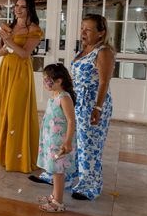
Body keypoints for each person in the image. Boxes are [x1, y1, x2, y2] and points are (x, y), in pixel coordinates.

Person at [30, 14, 114, 201]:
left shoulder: (103, 52)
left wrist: (97, 108)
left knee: (90, 146)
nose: (83, 32)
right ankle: (63, 177)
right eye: (82, 27)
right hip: (77, 102)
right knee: (73, 142)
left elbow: (104, 82)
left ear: (101, 33)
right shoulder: (84, 49)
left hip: (93, 104)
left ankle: (89, 186)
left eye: (88, 29)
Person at [0, 0, 43, 173]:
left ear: (30, 9)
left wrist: (8, 41)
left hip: (21, 72)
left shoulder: (34, 30)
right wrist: (5, 47)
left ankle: (18, 158)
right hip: (6, 70)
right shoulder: (9, 27)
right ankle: (3, 154)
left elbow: (24, 54)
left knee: (15, 112)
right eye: (16, 6)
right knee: (3, 109)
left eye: (22, 7)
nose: (18, 10)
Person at [36, 63, 76, 212]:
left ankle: (58, 202)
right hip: (51, 140)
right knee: (53, 169)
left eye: (47, 79)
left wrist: (68, 141)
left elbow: (71, 121)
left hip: (60, 142)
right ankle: (54, 196)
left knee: (58, 171)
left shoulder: (64, 98)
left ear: (59, 81)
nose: (45, 82)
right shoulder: (54, 95)